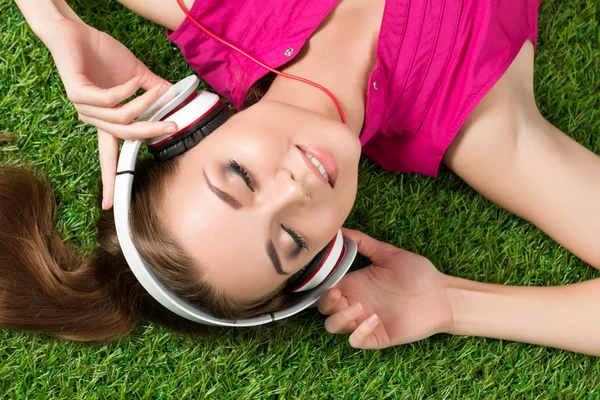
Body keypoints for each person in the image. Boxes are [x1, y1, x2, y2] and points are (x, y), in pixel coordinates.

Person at [8, 0, 599, 355]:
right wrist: (454, 304)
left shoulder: (214, 10)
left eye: (238, 176)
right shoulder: (479, 123)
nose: (296, 189)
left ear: (190, 126)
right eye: (291, 242)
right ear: (325, 261)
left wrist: (57, 23)